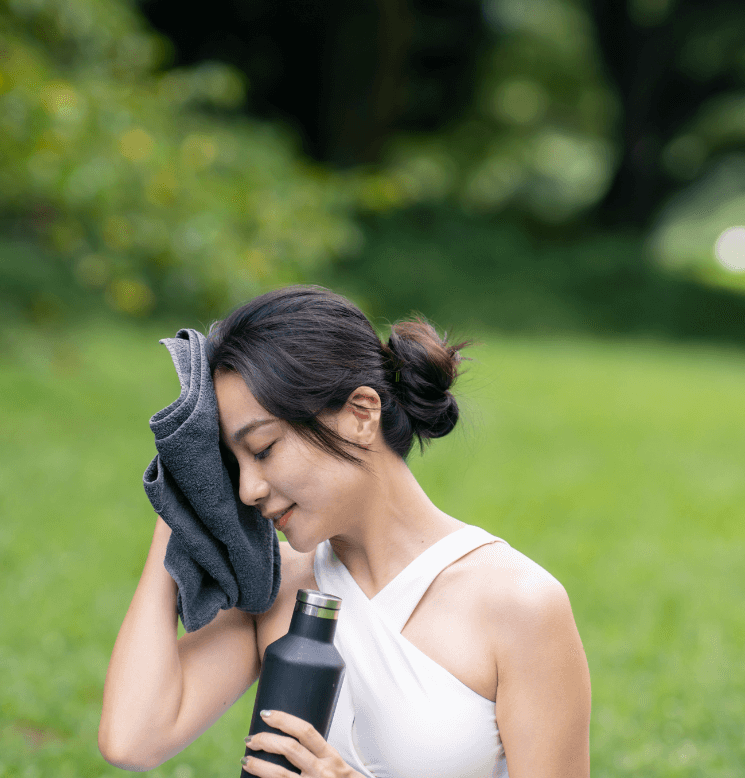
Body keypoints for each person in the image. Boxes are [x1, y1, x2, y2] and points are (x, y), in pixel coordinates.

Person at [99, 285, 591, 777]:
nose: (247, 490)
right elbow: (133, 741)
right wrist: (184, 491)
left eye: (264, 448)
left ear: (360, 413)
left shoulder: (519, 604)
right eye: (232, 465)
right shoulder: (277, 588)